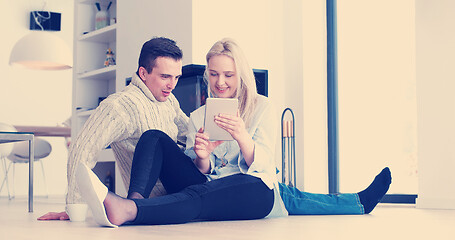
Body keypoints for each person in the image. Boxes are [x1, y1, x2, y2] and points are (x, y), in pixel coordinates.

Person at [75, 38, 392, 227]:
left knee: (262, 191)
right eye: (213, 74)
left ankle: (130, 212)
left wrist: (243, 137)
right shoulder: (197, 115)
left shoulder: (262, 108)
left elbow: (269, 169)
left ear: (240, 74)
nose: (220, 82)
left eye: (228, 75)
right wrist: (202, 158)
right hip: (208, 185)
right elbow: (194, 170)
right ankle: (136, 201)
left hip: (253, 191)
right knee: (154, 137)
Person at [38, 37, 188, 221]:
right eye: (165, 76)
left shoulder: (169, 100)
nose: (172, 85)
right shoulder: (120, 106)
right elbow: (82, 148)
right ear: (143, 73)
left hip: (184, 189)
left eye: (176, 77)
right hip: (154, 201)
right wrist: (75, 207)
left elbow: (190, 132)